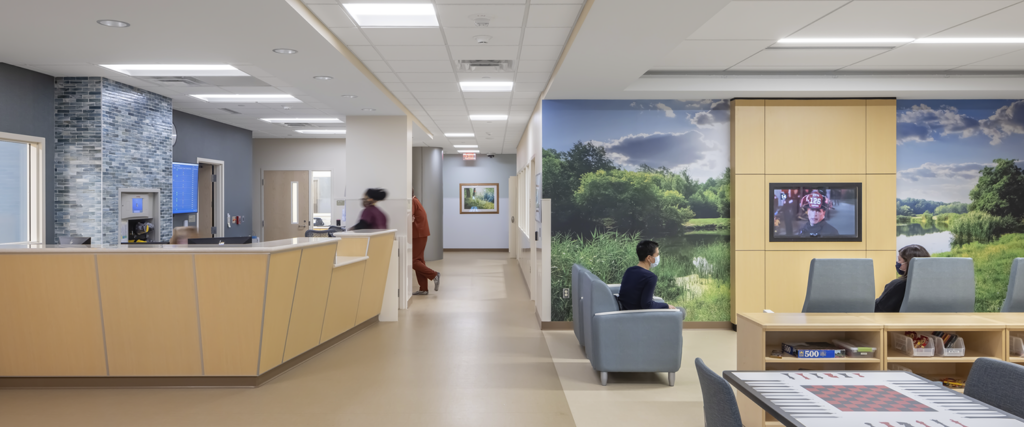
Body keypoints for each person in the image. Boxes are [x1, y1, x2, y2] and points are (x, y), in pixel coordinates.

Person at [617, 240, 677, 311]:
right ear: (649, 258)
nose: (658, 257)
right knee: (681, 310)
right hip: (637, 314)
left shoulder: (629, 271)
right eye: (657, 254)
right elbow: (647, 305)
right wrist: (667, 306)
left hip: (624, 310)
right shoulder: (650, 277)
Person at [875, 244, 931, 312]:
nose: (897, 262)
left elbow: (877, 309)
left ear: (908, 263)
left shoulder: (898, 285)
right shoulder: (933, 285)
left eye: (899, 260)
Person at [411, 192, 440, 295]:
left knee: (413, 261)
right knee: (419, 261)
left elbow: (408, 215)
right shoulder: (415, 200)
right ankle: (423, 289)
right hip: (420, 233)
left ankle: (434, 275)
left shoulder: (412, 201)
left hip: (418, 234)